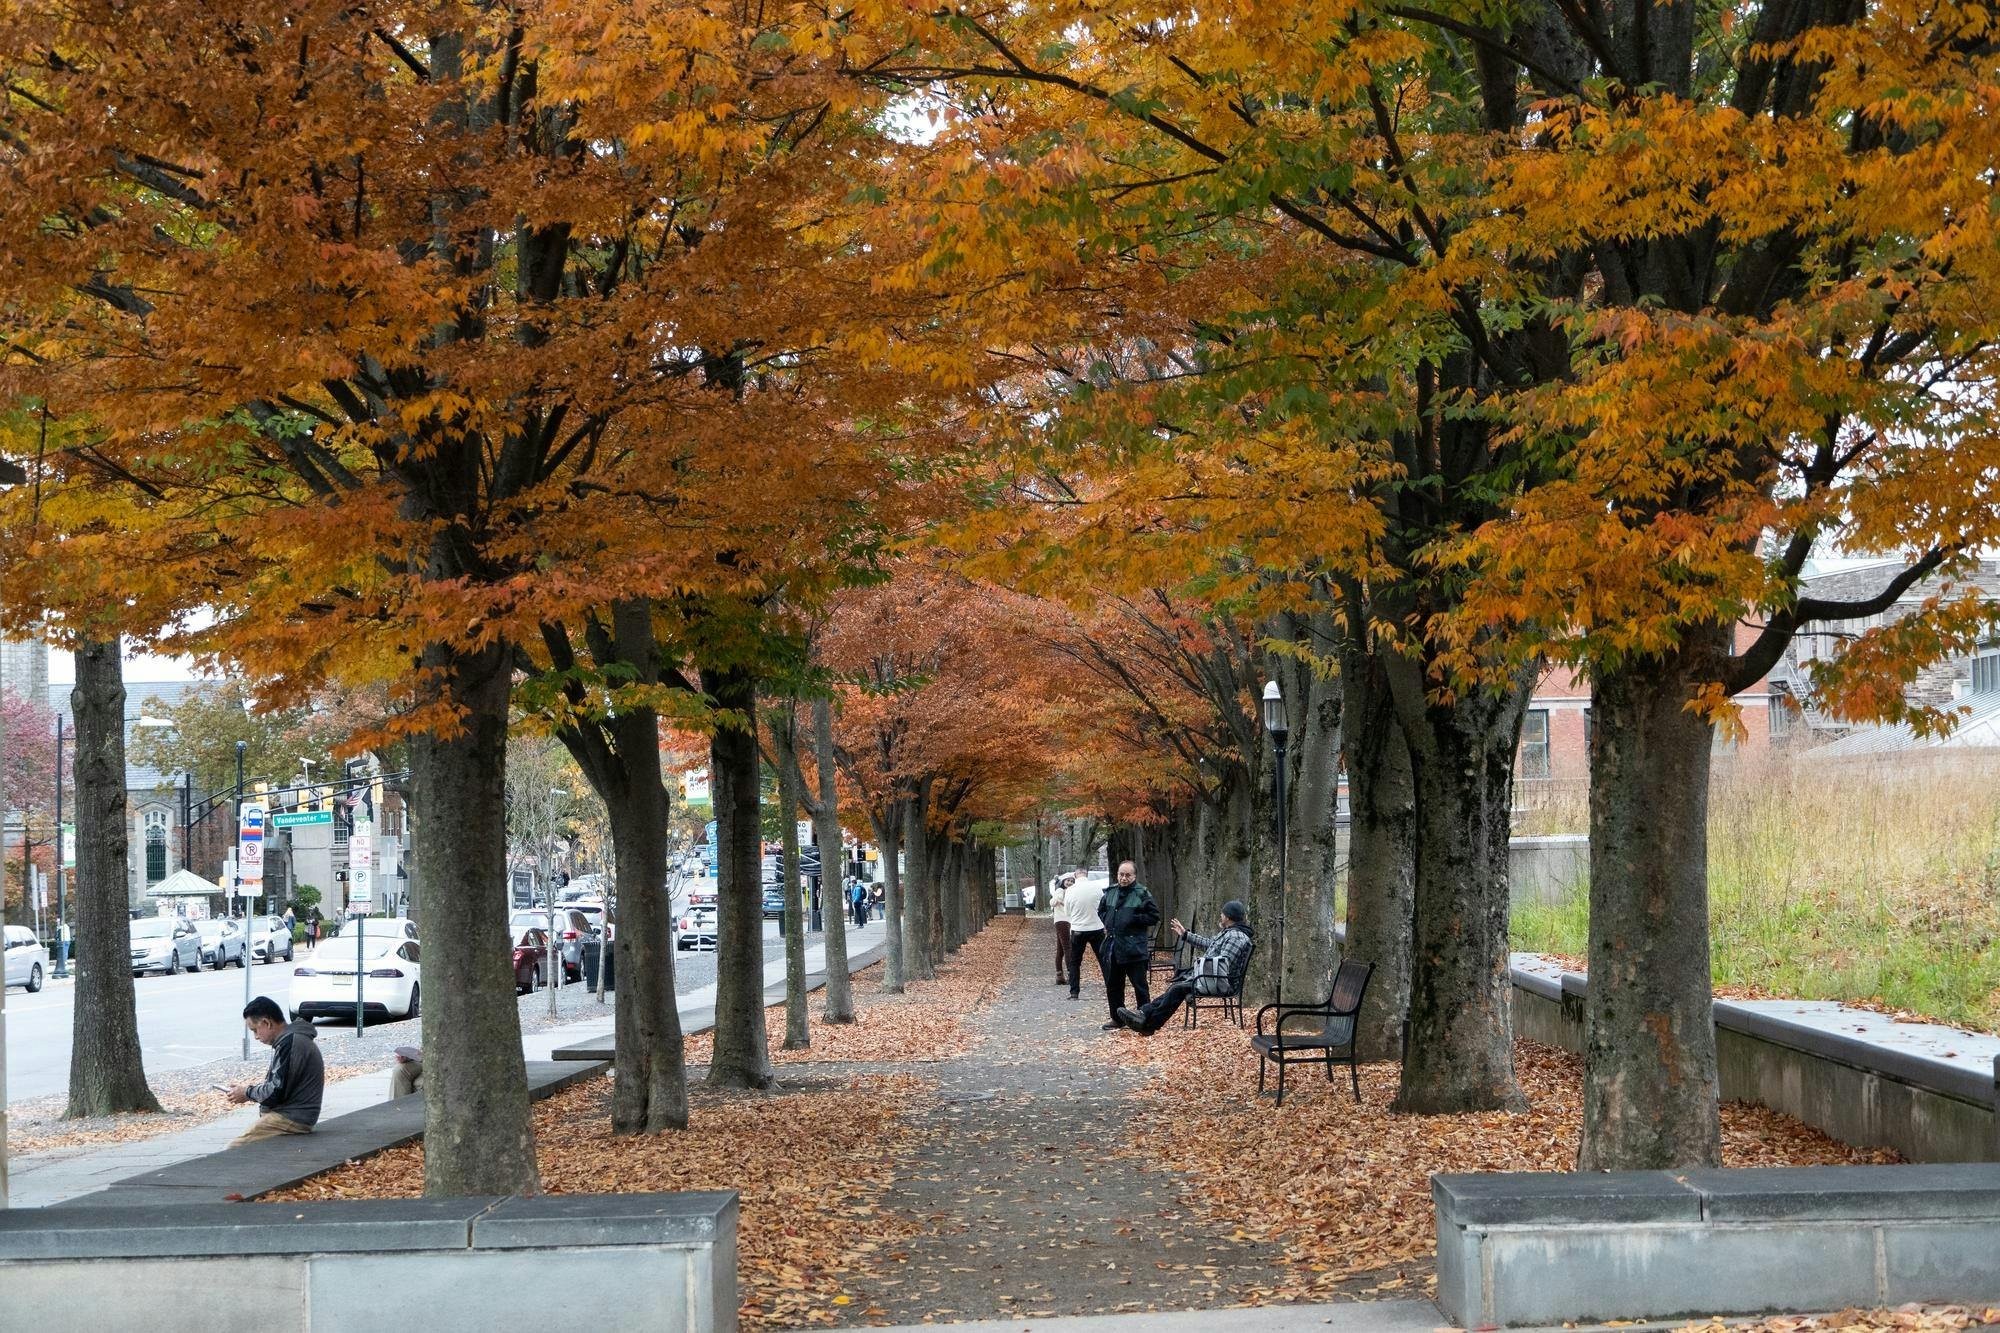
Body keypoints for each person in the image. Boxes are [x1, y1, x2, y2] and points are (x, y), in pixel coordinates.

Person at [1114, 901, 1254, 1034]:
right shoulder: (1229, 933)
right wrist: (1185, 935)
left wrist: (1198, 969)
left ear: (1229, 917)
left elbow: (1223, 963)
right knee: (1177, 986)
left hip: (1220, 982)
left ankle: (1150, 1024)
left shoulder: (1236, 937)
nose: (1220, 916)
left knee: (1177, 989)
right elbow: (1209, 944)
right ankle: (1144, 1014)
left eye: (1222, 914)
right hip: (1211, 978)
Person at [226, 996, 324, 1144]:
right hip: (293, 1114)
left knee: (234, 1151)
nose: (256, 1037)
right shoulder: (289, 1040)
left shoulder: (291, 1042)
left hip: (292, 1117)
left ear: (267, 1023)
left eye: (255, 1030)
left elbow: (276, 1091)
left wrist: (246, 1092)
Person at [1097, 861, 1159, 1030]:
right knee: (1114, 985)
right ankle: (1117, 1018)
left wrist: (1135, 920)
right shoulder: (1110, 892)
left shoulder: (1142, 893)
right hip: (1113, 946)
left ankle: (1145, 1018)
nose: (1124, 878)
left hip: (1134, 948)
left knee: (1139, 984)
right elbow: (1101, 910)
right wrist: (1110, 922)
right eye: (1121, 874)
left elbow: (1154, 916)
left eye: (1127, 875)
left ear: (1134, 876)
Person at [1061, 870, 1104, 1003]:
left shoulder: (1070, 890)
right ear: (1087, 875)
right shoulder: (1097, 888)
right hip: (1096, 927)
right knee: (1103, 959)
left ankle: (1074, 992)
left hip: (1078, 929)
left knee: (1075, 962)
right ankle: (1111, 986)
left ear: (1075, 875)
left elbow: (1066, 911)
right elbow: (1103, 906)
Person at [1050, 874, 1070, 987]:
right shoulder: (1060, 890)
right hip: (1062, 921)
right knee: (1068, 948)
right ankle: (1071, 974)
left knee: (1061, 950)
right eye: (1068, 880)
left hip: (1064, 921)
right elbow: (1052, 902)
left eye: (1072, 881)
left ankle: (1059, 976)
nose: (1070, 883)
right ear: (1063, 881)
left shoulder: (1070, 892)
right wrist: (1060, 899)